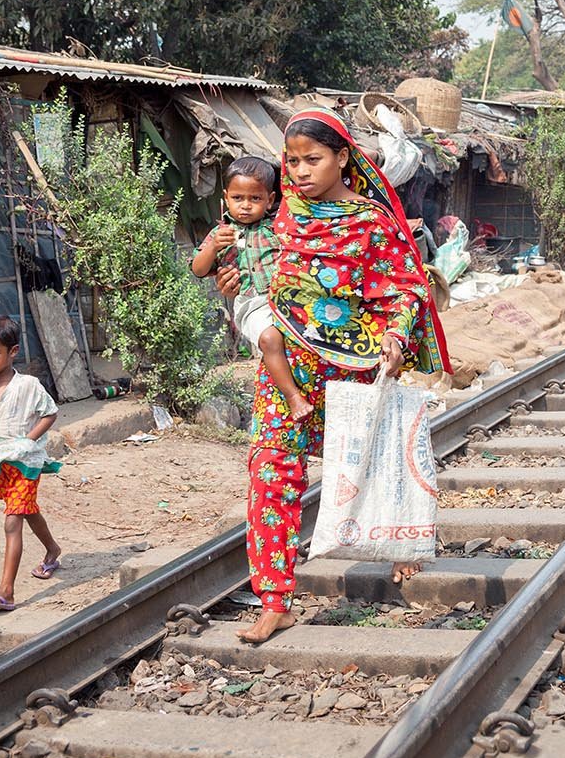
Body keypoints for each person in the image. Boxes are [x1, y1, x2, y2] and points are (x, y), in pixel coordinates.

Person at [219, 108, 449, 645]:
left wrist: (396, 336)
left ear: (343, 158)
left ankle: (397, 545)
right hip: (287, 373)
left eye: (312, 159)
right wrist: (233, 284)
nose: (298, 171)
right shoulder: (279, 215)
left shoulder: (371, 222)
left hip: (355, 367)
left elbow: (405, 289)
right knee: (272, 473)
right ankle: (274, 599)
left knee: (372, 465)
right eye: (292, 160)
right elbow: (249, 269)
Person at [191, 157, 315, 419]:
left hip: (285, 299)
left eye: (255, 199)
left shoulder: (277, 228)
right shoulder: (221, 233)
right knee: (270, 339)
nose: (245, 206)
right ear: (225, 198)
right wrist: (214, 246)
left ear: (269, 200)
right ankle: (293, 398)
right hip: (252, 303)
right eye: (238, 198)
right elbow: (198, 269)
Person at [0, 315, 61, 611]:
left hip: (26, 463)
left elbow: (50, 413)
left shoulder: (28, 386)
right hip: (0, 463)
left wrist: (29, 440)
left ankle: (6, 590)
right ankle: (52, 550)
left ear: (13, 352)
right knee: (25, 510)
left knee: (12, 520)